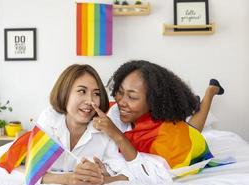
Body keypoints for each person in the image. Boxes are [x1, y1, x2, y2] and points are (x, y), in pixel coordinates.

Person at [39, 64, 172, 185]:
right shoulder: (49, 119)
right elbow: (33, 170)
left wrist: (103, 179)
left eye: (96, 94)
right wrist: (69, 179)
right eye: (81, 91)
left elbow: (129, 175)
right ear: (64, 93)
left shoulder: (103, 130)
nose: (90, 101)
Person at [91, 60, 224, 170]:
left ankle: (211, 91)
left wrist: (116, 134)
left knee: (193, 131)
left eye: (132, 97)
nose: (121, 102)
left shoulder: (167, 139)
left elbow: (147, 170)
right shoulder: (117, 107)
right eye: (120, 92)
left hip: (185, 141)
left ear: (152, 100)